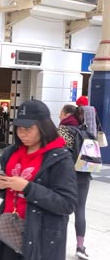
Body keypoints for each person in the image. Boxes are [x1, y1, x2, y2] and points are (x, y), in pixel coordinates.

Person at [0, 100, 78, 260]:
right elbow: (5, 193)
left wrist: (28, 188)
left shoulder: (59, 158)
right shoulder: (11, 153)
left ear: (43, 127)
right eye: (19, 128)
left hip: (38, 237)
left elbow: (67, 203)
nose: (22, 134)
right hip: (6, 231)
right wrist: (0, 185)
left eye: (28, 129)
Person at [58, 104, 93, 260]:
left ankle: (58, 246)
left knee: (61, 211)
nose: (59, 116)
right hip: (84, 176)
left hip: (67, 176)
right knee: (80, 210)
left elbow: (57, 155)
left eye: (60, 113)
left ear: (66, 114)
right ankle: (80, 247)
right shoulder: (84, 130)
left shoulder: (63, 130)